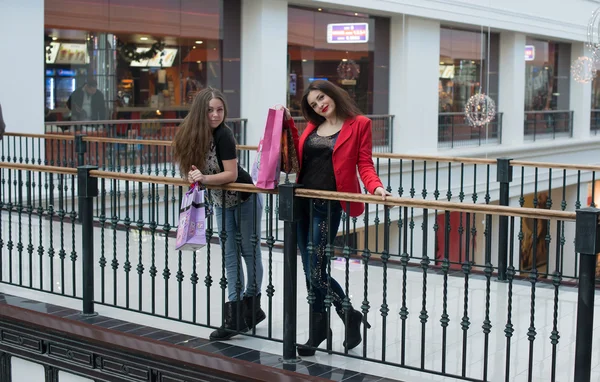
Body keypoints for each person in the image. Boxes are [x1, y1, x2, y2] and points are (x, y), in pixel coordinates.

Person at [279, 80, 391, 356]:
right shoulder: (312, 127)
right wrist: (282, 122)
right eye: (314, 104)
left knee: (317, 270)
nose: (320, 105)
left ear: (332, 93)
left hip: (328, 205)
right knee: (309, 272)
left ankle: (347, 315)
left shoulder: (359, 124)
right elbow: (297, 156)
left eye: (321, 98)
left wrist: (375, 187)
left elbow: (364, 163)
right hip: (301, 202)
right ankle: (320, 330)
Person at [172, 87, 264, 341]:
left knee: (248, 251)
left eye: (220, 110)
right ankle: (236, 317)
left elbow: (232, 175)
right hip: (222, 202)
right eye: (210, 110)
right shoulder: (191, 135)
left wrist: (204, 178)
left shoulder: (224, 135)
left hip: (245, 197)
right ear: (200, 111)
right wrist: (192, 176)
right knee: (230, 255)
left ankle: (251, 306)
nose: (215, 115)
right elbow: (186, 169)